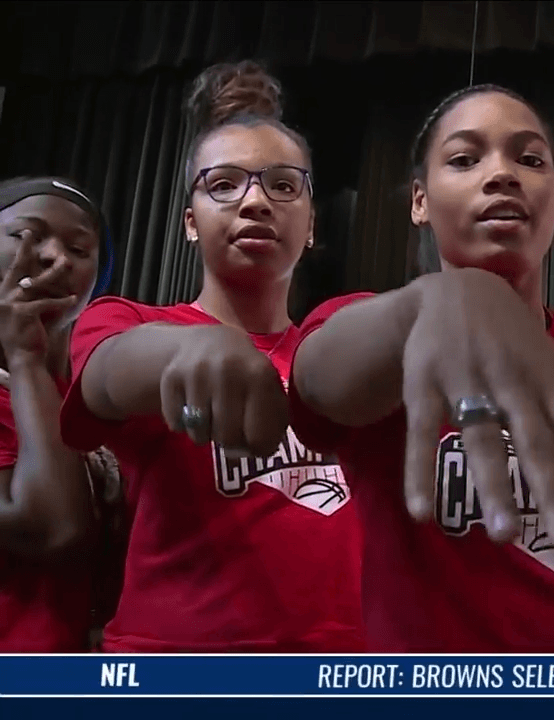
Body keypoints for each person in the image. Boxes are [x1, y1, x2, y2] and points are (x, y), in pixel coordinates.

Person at [288, 84, 554, 652]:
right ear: (420, 202)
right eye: (464, 159)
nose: (502, 174)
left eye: (530, 159)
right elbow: (317, 382)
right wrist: (430, 304)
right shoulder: (377, 336)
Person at [57, 61, 364, 653]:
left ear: (312, 223)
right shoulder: (126, 321)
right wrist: (192, 345)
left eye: (283, 185)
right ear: (190, 223)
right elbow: (105, 374)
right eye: (224, 185)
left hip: (340, 670)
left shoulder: (333, 345)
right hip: (179, 670)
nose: (255, 201)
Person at [0, 175, 119, 651]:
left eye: (79, 249)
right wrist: (25, 358)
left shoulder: (92, 404)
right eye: (25, 234)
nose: (58, 258)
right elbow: (55, 530)